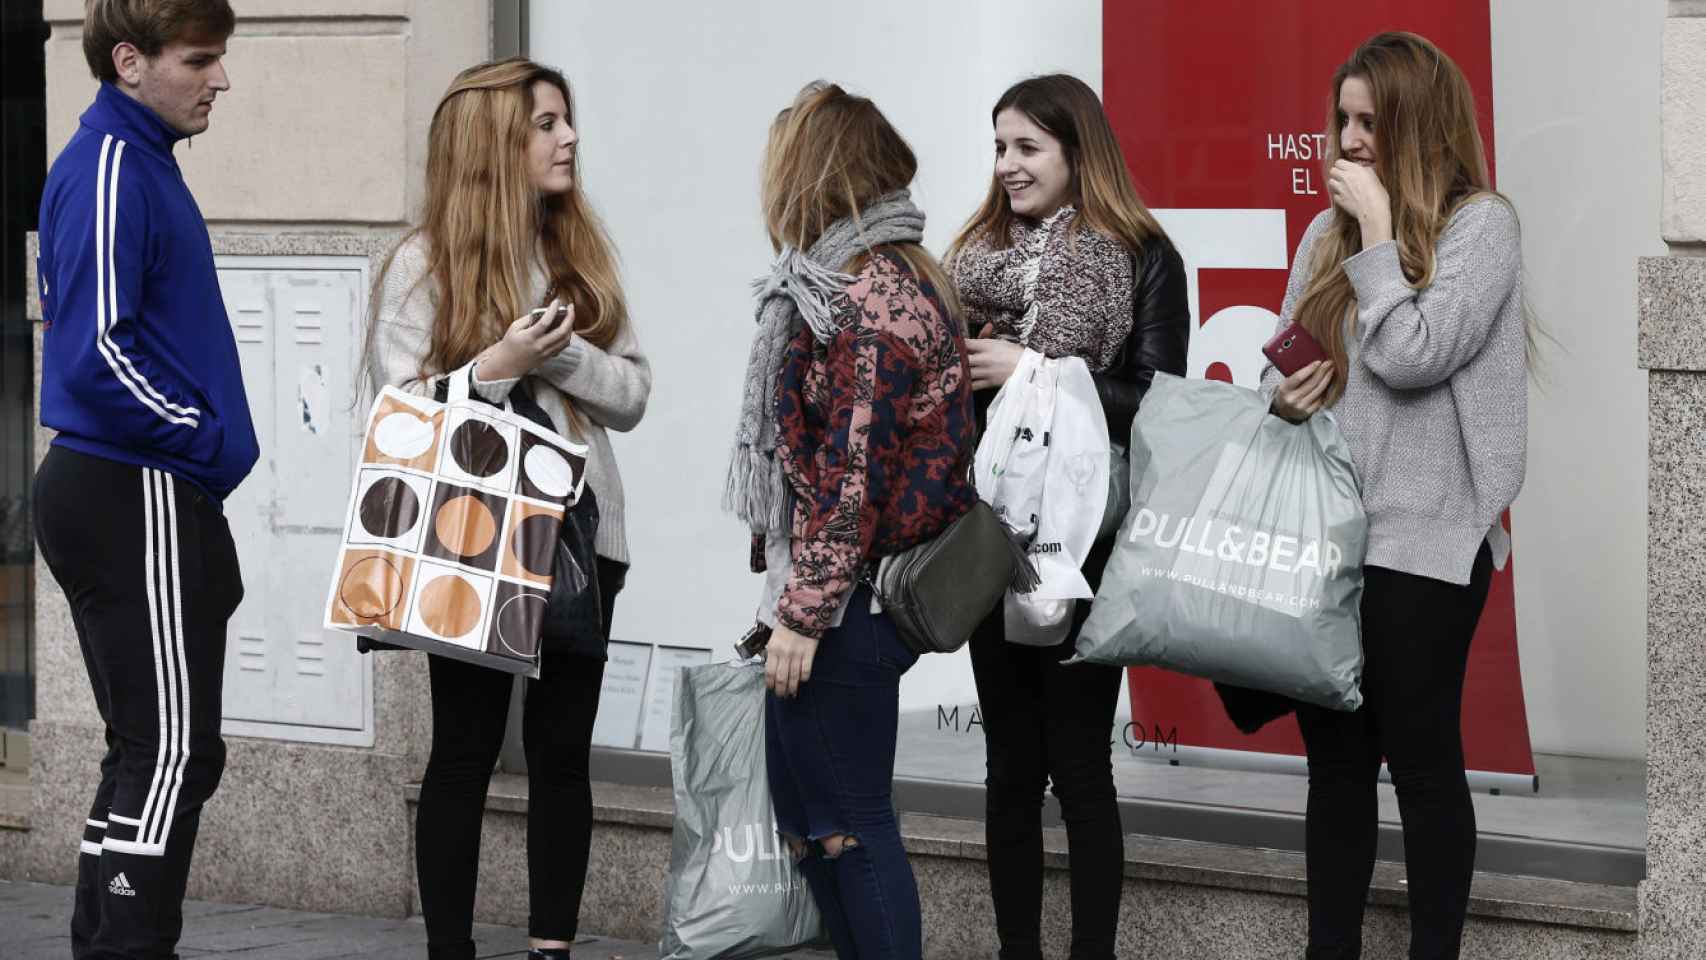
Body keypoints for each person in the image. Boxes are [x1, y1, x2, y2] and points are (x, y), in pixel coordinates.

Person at [365, 57, 651, 960]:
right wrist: (498, 365)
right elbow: (400, 413)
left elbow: (634, 396)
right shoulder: (423, 262)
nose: (569, 138)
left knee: (564, 758)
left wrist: (559, 355)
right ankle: (450, 946)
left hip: (582, 537)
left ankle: (550, 949)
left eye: (568, 121)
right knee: (465, 751)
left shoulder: (577, 251)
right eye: (547, 123)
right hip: (472, 538)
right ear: (496, 140)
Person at [1262, 31, 1529, 960]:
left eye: (1369, 121)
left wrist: (1377, 234)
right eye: (1342, 119)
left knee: (1420, 763)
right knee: (1335, 770)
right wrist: (1284, 395)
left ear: (1417, 122)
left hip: (1428, 542)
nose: (1349, 139)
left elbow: (1416, 354)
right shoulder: (1324, 236)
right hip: (1332, 541)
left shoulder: (1482, 226)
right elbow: (1289, 368)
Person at [726, 81, 977, 959]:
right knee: (810, 823)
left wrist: (803, 614)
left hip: (851, 607)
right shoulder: (857, 279)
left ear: (812, 175)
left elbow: (852, 477)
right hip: (831, 597)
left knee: (850, 825)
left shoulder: (871, 296)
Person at [944, 73, 1190, 960]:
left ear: (1077, 153)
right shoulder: (967, 260)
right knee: (1009, 764)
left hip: (1089, 544)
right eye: (1000, 147)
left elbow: (1156, 403)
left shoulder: (1142, 254)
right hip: (987, 537)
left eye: (1027, 147)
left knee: (1080, 765)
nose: (1007, 166)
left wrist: (1032, 373)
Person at [33, 1, 253, 957]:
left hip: (134, 487)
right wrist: (199, 440)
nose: (220, 79)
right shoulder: (116, 167)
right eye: (201, 60)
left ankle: (106, 942)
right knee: (171, 752)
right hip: (135, 485)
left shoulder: (132, 160)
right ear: (131, 61)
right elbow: (92, 356)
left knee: (144, 749)